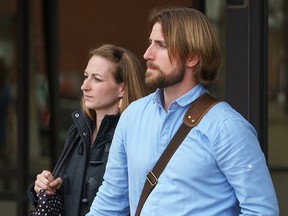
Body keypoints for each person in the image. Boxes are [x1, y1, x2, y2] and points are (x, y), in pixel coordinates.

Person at [87, 7, 279, 216]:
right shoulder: (133, 116)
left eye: (161, 45)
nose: (147, 54)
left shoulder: (227, 127)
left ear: (192, 58)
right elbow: (110, 203)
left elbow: (261, 210)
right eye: (151, 42)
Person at [28, 44, 148, 216]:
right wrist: (43, 186)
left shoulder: (132, 137)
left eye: (97, 79)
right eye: (86, 76)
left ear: (122, 88)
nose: (85, 86)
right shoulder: (78, 131)